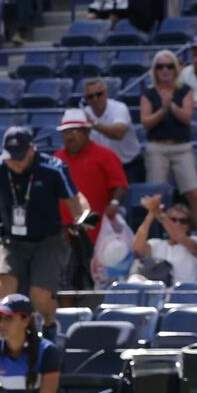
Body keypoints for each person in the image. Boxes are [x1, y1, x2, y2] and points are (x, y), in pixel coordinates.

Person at [0, 127, 92, 343]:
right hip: (12, 242)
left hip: (48, 241)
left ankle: (48, 325)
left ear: (31, 150)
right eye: (11, 158)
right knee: (2, 287)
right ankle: (2, 346)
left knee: (39, 296)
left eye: (20, 157)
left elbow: (75, 201)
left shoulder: (53, 169)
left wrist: (81, 219)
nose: (15, 163)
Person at [54, 109, 129, 291]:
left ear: (87, 132)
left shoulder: (105, 155)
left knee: (94, 278)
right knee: (65, 281)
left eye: (75, 131)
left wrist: (114, 203)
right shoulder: (56, 159)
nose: (69, 136)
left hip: (95, 231)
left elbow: (120, 185)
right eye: (65, 132)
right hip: (63, 231)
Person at [139, 50, 197, 231]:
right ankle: (156, 236)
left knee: (194, 192)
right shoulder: (149, 93)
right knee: (155, 197)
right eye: (160, 66)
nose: (165, 70)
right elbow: (145, 122)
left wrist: (172, 106)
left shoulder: (184, 91)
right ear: (155, 70)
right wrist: (162, 110)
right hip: (157, 147)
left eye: (169, 66)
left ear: (176, 69)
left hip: (181, 147)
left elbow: (187, 117)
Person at [82, 77, 145, 183]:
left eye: (99, 94)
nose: (95, 99)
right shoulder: (84, 113)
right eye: (90, 96)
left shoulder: (119, 108)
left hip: (129, 165)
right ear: (86, 99)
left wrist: (94, 124)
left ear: (106, 93)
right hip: (103, 168)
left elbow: (118, 133)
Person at [131, 195, 197, 284]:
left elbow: (178, 237)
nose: (177, 224)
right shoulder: (156, 244)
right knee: (134, 279)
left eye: (183, 221)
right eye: (173, 220)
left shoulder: (196, 241)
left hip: (186, 295)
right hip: (160, 295)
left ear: (189, 226)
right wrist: (151, 214)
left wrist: (159, 214)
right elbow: (138, 249)